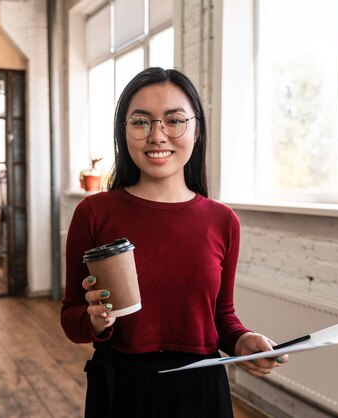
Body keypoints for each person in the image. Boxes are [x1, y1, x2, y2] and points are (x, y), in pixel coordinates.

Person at [61, 67, 287, 418]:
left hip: (202, 390)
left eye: (174, 120)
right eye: (141, 122)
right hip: (122, 389)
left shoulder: (222, 221)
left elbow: (221, 316)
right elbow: (71, 316)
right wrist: (95, 320)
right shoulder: (94, 213)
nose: (158, 135)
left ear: (196, 130)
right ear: (124, 132)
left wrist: (244, 341)